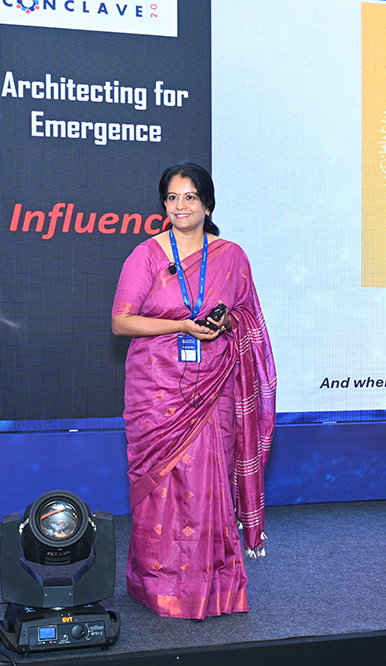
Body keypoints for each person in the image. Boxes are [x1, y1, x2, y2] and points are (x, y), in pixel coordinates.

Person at [111, 162, 276, 619]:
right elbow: (121, 322)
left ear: (208, 203)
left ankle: (214, 583)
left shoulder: (231, 255)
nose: (180, 206)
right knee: (165, 485)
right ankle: (159, 583)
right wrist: (182, 325)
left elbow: (247, 315)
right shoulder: (146, 255)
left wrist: (225, 321)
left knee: (208, 483)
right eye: (172, 198)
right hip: (157, 388)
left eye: (189, 197)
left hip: (215, 384)